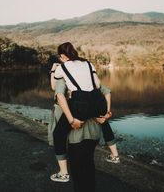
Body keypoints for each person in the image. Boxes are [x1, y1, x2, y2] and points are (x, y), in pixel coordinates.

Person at [48, 42, 120, 184]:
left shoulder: (61, 67)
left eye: (60, 57)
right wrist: (106, 112)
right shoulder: (88, 64)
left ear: (62, 56)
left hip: (81, 103)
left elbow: (54, 87)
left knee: (58, 134)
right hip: (97, 101)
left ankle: (63, 173)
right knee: (103, 122)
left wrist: (52, 70)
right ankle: (114, 154)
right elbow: (98, 85)